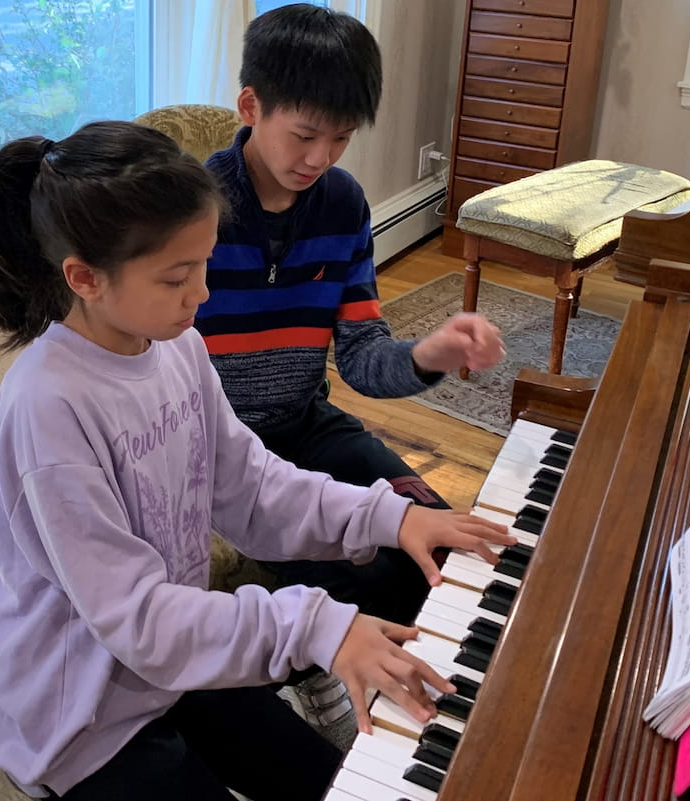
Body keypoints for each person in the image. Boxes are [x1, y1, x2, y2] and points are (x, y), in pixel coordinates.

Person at [0, 120, 512, 801]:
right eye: (176, 277)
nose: (202, 295)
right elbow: (138, 619)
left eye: (205, 266)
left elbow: (250, 486)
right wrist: (314, 624)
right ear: (84, 278)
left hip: (169, 667)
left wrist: (388, 517)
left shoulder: (175, 346)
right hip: (83, 715)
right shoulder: (49, 407)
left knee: (330, 782)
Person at [199, 4, 506, 627]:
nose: (321, 158)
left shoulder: (342, 204)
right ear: (251, 107)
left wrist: (428, 355)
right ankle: (329, 678)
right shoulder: (193, 210)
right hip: (218, 451)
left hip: (308, 424)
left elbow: (363, 357)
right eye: (305, 135)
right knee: (370, 579)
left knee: (453, 548)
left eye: (341, 138)